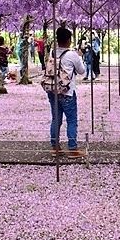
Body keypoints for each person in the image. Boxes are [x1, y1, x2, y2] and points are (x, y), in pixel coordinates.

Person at [46, 27, 86, 158]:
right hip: (67, 91)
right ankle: (72, 148)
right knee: (72, 120)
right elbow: (82, 71)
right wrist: (80, 57)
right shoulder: (72, 55)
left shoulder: (52, 53)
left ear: (57, 39)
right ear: (69, 40)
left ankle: (55, 147)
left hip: (52, 90)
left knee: (56, 119)